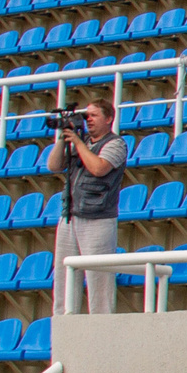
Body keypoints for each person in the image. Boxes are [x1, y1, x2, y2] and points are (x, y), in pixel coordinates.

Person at [49, 95, 128, 314]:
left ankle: (100, 331)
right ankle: (66, 325)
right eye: (86, 116)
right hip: (70, 216)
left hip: (98, 219)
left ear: (109, 118)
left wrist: (77, 143)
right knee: (64, 280)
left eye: (93, 115)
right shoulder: (81, 142)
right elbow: (54, 165)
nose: (88, 120)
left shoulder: (115, 143)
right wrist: (63, 139)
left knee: (99, 281)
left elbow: (99, 168)